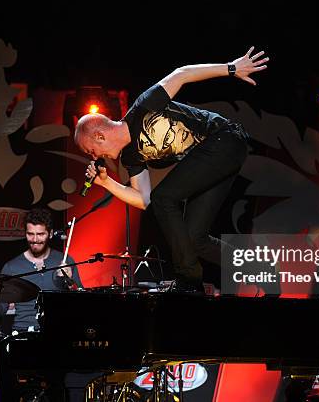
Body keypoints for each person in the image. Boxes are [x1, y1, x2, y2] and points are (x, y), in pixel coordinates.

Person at [74, 47, 268, 292]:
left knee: (165, 196)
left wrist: (231, 68)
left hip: (224, 139)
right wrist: (106, 183)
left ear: (100, 135)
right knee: (193, 238)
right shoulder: (131, 157)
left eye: (90, 150)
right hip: (215, 159)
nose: (94, 156)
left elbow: (182, 74)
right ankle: (260, 270)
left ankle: (188, 278)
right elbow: (144, 200)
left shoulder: (142, 109)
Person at [0, 207, 82, 331]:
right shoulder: (12, 267)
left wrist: (70, 284)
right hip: (24, 331)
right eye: (30, 234)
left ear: (51, 234)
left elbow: (81, 303)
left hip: (60, 330)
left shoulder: (65, 261)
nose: (35, 240)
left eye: (40, 234)